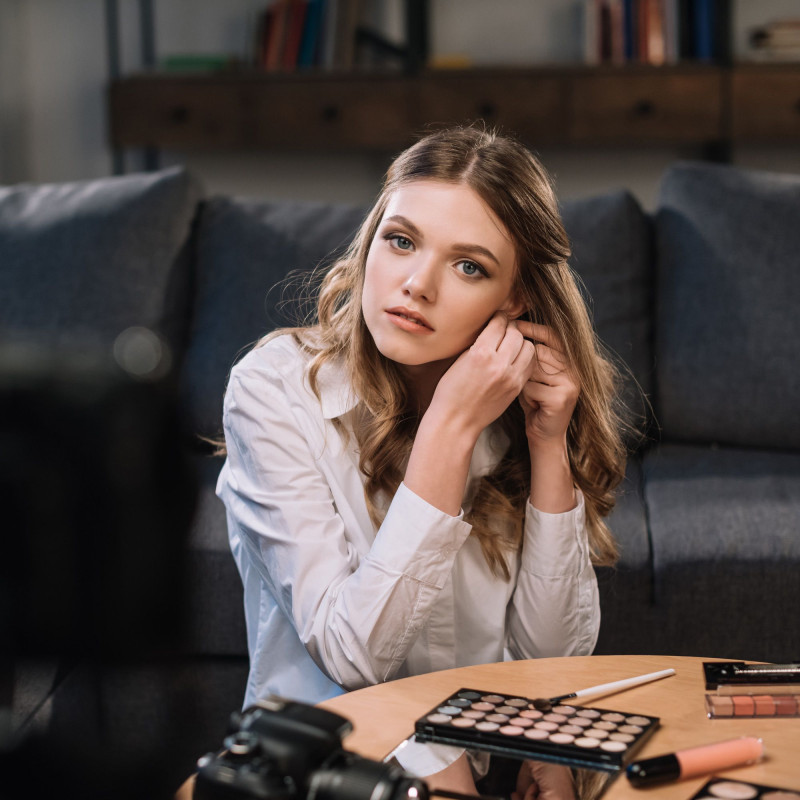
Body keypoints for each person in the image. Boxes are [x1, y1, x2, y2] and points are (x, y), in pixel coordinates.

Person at [216, 125, 627, 795]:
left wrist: (550, 442)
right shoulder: (274, 389)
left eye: (469, 266)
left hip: (472, 740)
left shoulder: (514, 404)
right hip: (321, 752)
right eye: (401, 241)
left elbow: (552, 657)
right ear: (372, 239)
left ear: (513, 302)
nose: (417, 284)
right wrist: (449, 427)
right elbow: (353, 656)